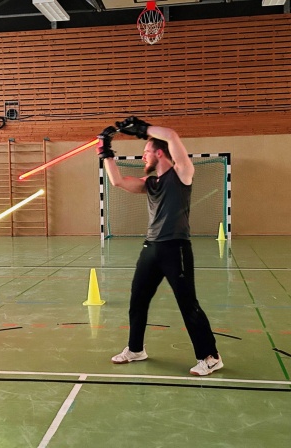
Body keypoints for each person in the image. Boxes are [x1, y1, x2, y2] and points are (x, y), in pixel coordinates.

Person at [97, 116, 223, 376]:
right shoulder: (150, 184)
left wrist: (143, 130)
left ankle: (210, 357)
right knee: (138, 300)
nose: (143, 157)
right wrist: (105, 150)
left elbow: (173, 135)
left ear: (159, 153)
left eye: (146, 152)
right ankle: (135, 349)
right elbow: (117, 181)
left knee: (188, 305)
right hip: (151, 248)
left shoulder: (182, 175)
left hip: (175, 248)